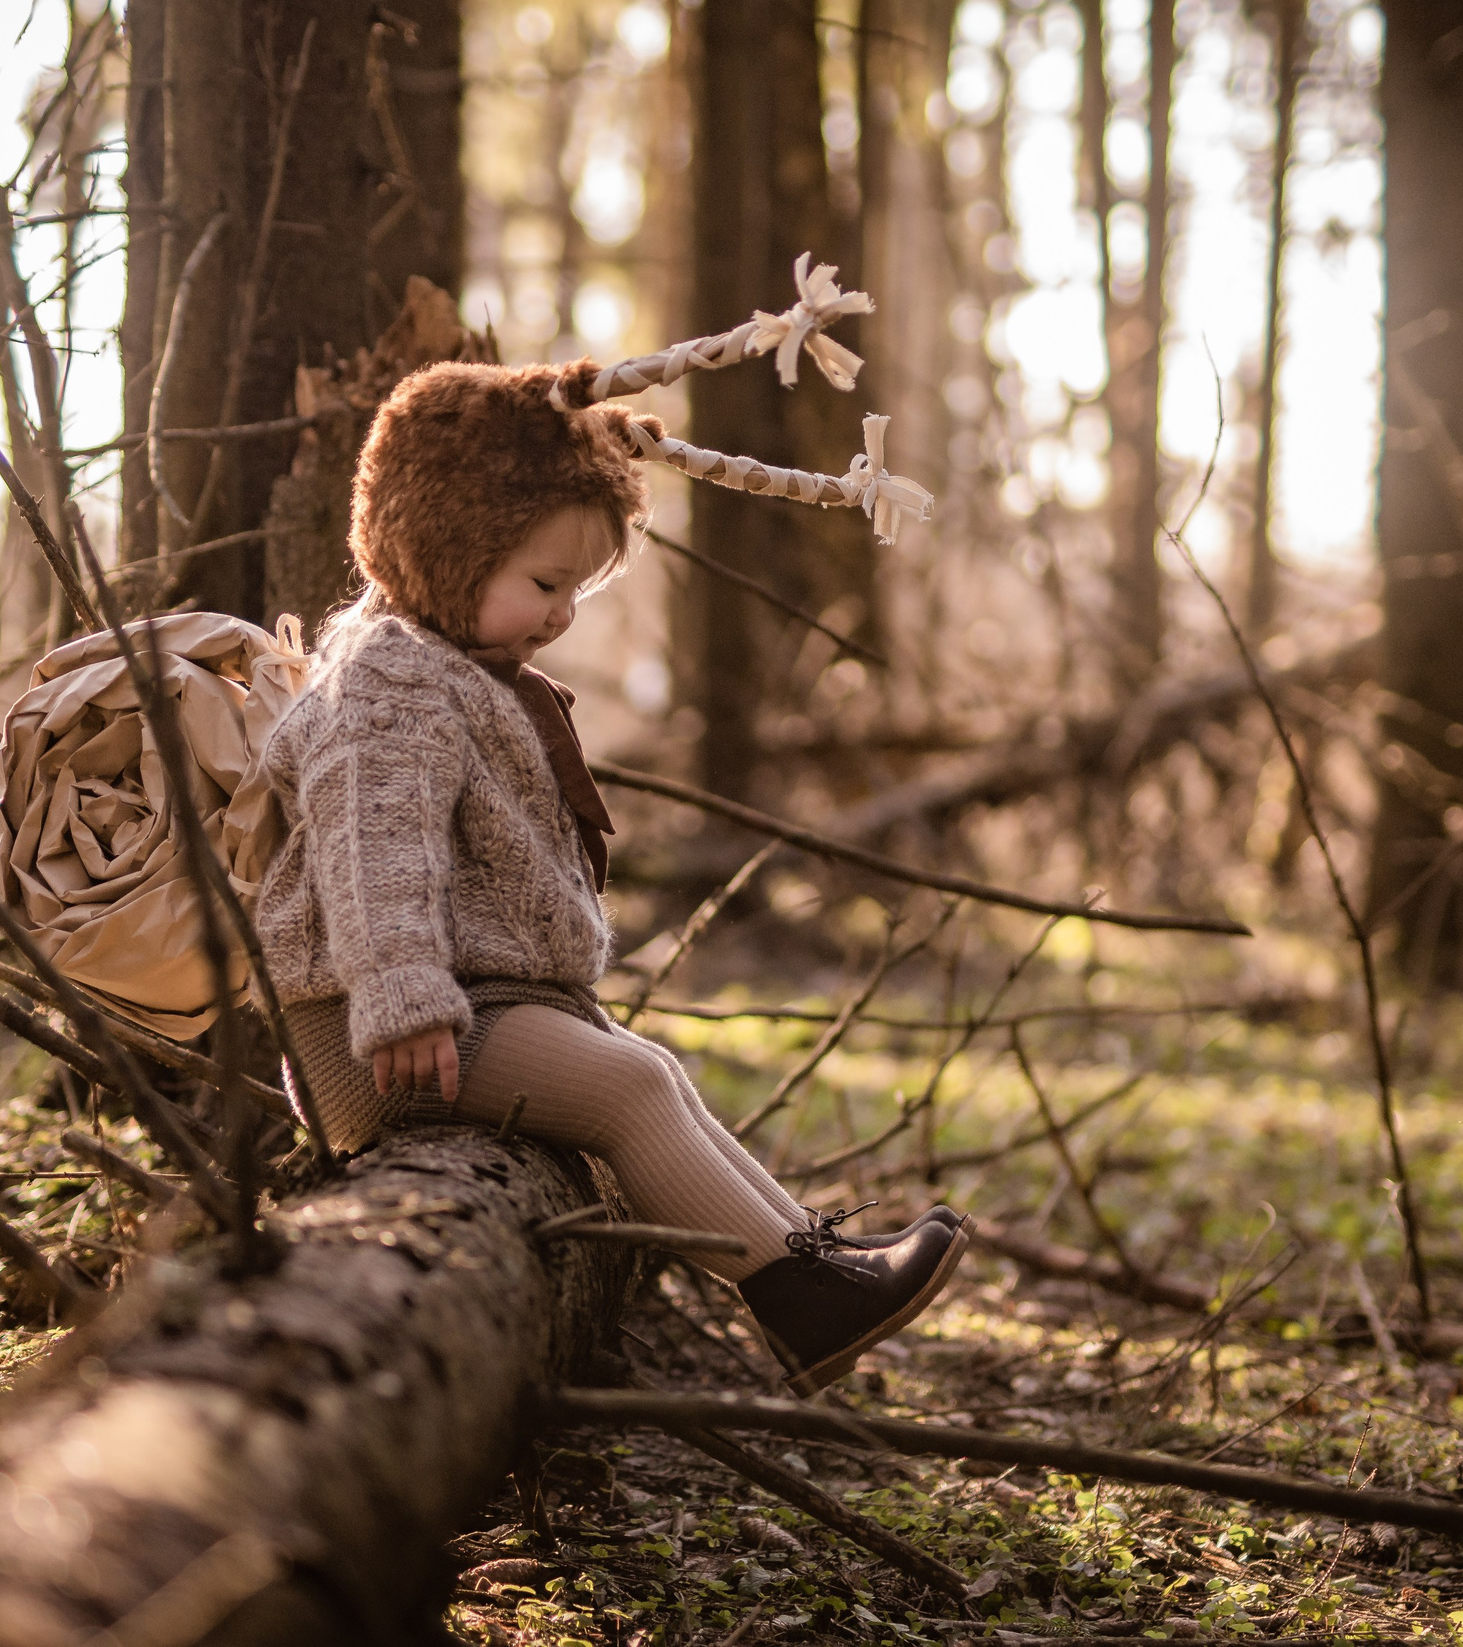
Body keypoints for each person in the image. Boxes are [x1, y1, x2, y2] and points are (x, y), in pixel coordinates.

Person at [254, 359, 967, 1395]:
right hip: (383, 1038)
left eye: (576, 592)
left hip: (471, 1007)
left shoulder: (444, 667)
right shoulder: (390, 684)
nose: (561, 617)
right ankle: (799, 1295)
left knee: (651, 1071)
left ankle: (811, 1267)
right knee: (631, 1086)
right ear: (447, 547)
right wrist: (402, 998)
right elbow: (373, 853)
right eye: (544, 585)